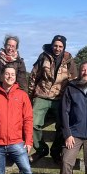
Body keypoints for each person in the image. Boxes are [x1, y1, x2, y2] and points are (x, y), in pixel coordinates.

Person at [28, 34, 77, 162]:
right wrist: (30, 96)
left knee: (63, 125)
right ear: (52, 45)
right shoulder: (44, 56)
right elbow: (34, 76)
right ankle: (41, 149)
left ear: (64, 47)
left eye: (60, 46)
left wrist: (72, 99)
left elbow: (74, 81)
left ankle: (56, 151)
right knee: (32, 123)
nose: (57, 48)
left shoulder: (69, 60)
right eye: (55, 45)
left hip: (60, 97)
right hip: (42, 95)